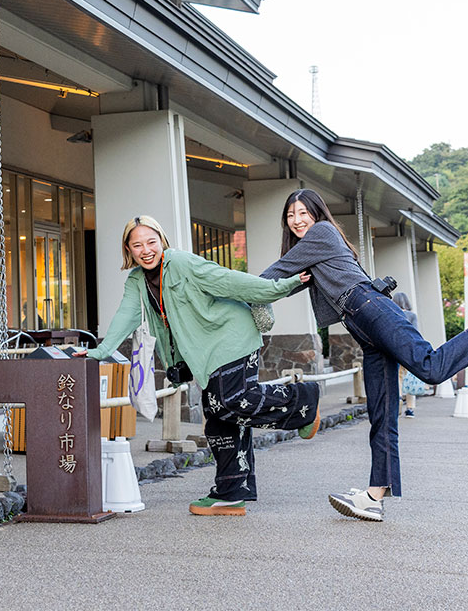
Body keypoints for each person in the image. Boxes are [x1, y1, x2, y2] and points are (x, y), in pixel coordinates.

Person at [256, 189, 468, 523]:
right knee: (382, 413)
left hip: (371, 309)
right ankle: (374, 496)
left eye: (303, 212)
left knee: (430, 368)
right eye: (291, 215)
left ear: (316, 214)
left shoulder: (320, 233)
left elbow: (274, 273)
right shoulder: (312, 253)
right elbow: (284, 283)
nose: (297, 220)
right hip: (363, 326)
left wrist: (232, 291)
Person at [78, 215, 319, 517]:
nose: (146, 250)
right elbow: (125, 316)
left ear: (162, 241)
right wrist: (100, 352)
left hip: (231, 337)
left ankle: (303, 401)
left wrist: (281, 286)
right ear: (128, 249)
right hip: (205, 353)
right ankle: (231, 492)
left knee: (229, 402)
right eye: (137, 245)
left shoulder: (181, 263)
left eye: (151, 242)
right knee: (219, 419)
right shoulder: (137, 281)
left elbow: (229, 281)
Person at [391, 291, 424, 417]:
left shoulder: (392, 314)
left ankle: (398, 400)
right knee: (410, 378)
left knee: (398, 377)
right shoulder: (412, 316)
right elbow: (415, 333)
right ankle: (410, 408)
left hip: (395, 349)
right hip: (409, 350)